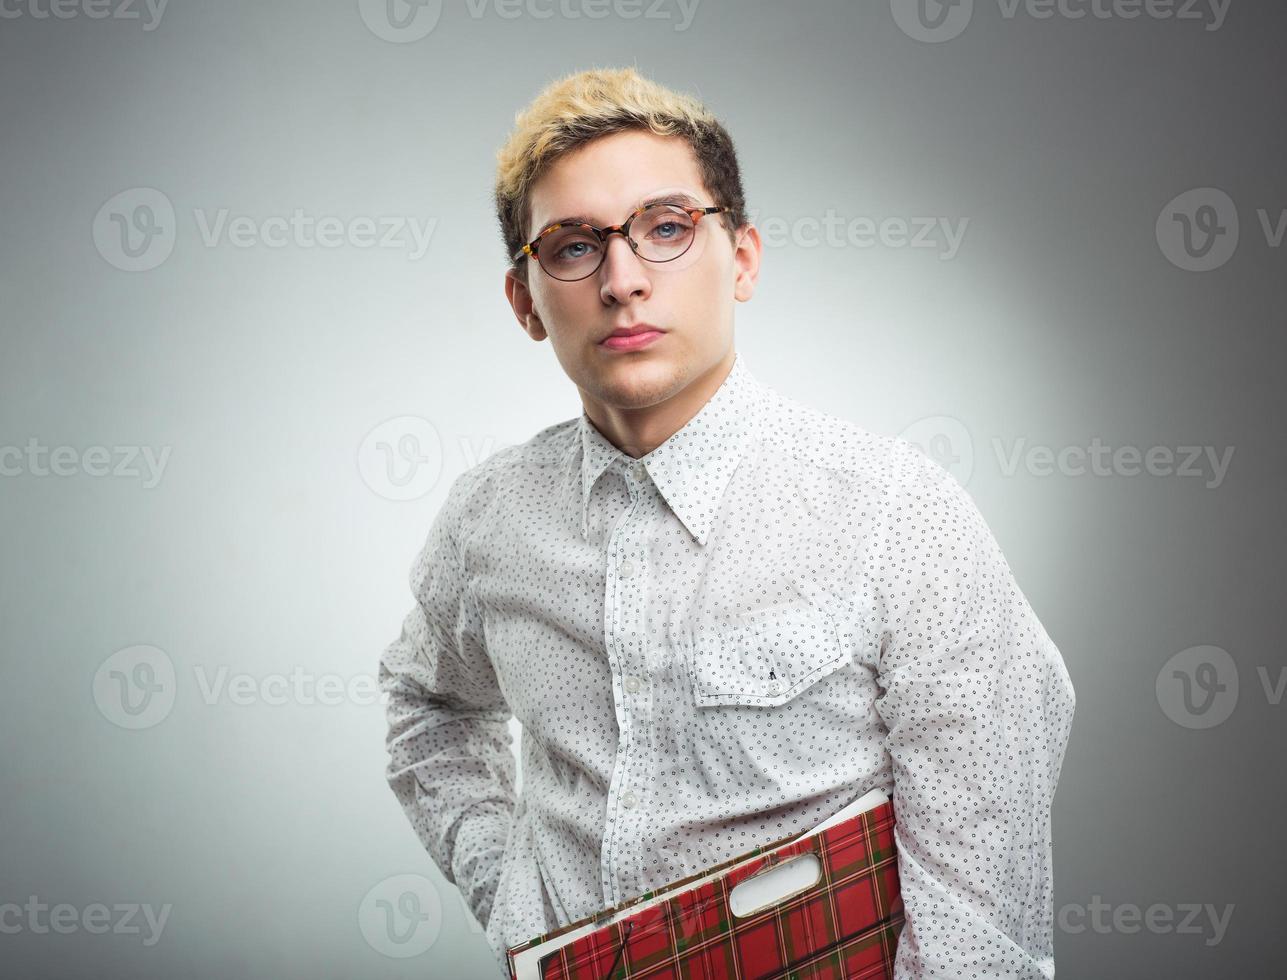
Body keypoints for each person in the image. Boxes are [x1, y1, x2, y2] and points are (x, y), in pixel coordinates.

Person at [378, 65, 1076, 979]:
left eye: (665, 229)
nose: (623, 281)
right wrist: (510, 889)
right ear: (525, 303)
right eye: (573, 247)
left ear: (741, 258)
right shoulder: (490, 521)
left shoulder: (896, 516)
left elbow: (981, 924)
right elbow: (423, 702)